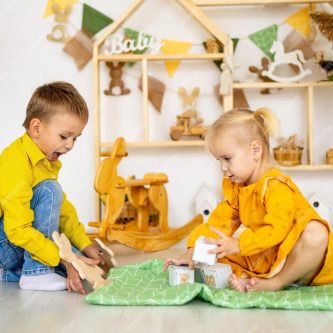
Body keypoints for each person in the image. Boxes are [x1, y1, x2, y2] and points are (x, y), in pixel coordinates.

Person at [164, 107, 333, 292]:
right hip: (269, 257)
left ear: (255, 150)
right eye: (218, 160)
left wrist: (239, 244)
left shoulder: (277, 186)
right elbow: (219, 223)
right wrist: (192, 252)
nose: (223, 167)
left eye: (227, 158)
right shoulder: (239, 188)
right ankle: (249, 279)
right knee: (218, 251)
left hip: (305, 261)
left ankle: (276, 283)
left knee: (316, 233)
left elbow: (277, 229)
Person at [0, 81, 102, 294]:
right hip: (7, 240)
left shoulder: (46, 160)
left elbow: (62, 211)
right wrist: (65, 258)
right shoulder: (15, 162)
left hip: (15, 243)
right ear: (36, 128)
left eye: (75, 138)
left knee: (78, 264)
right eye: (64, 136)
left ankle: (9, 273)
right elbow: (17, 230)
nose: (70, 145)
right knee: (49, 191)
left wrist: (84, 246)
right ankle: (35, 273)